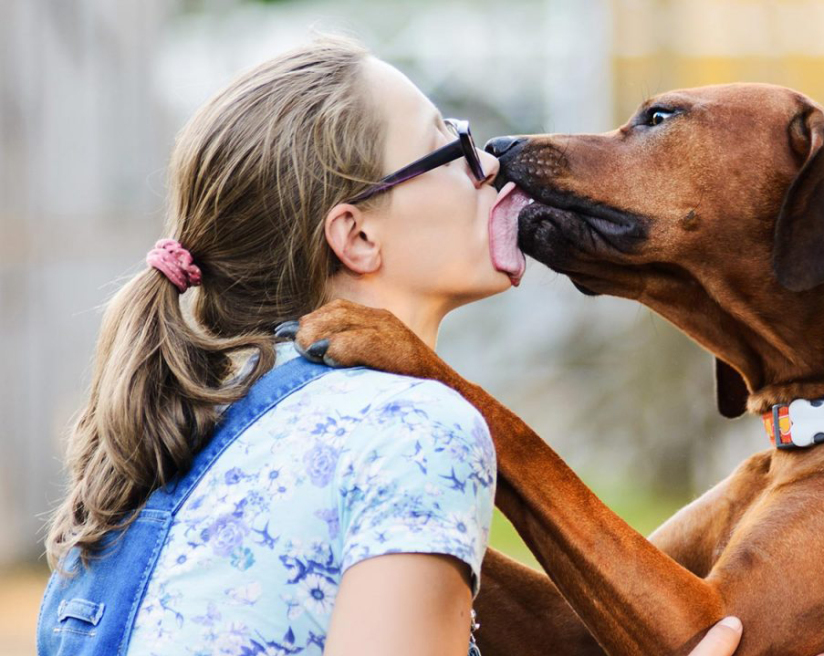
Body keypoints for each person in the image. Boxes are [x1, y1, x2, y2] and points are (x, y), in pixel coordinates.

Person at [36, 34, 785, 656]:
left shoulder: (154, 452)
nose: (491, 163)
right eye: (449, 145)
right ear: (357, 236)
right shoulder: (412, 430)